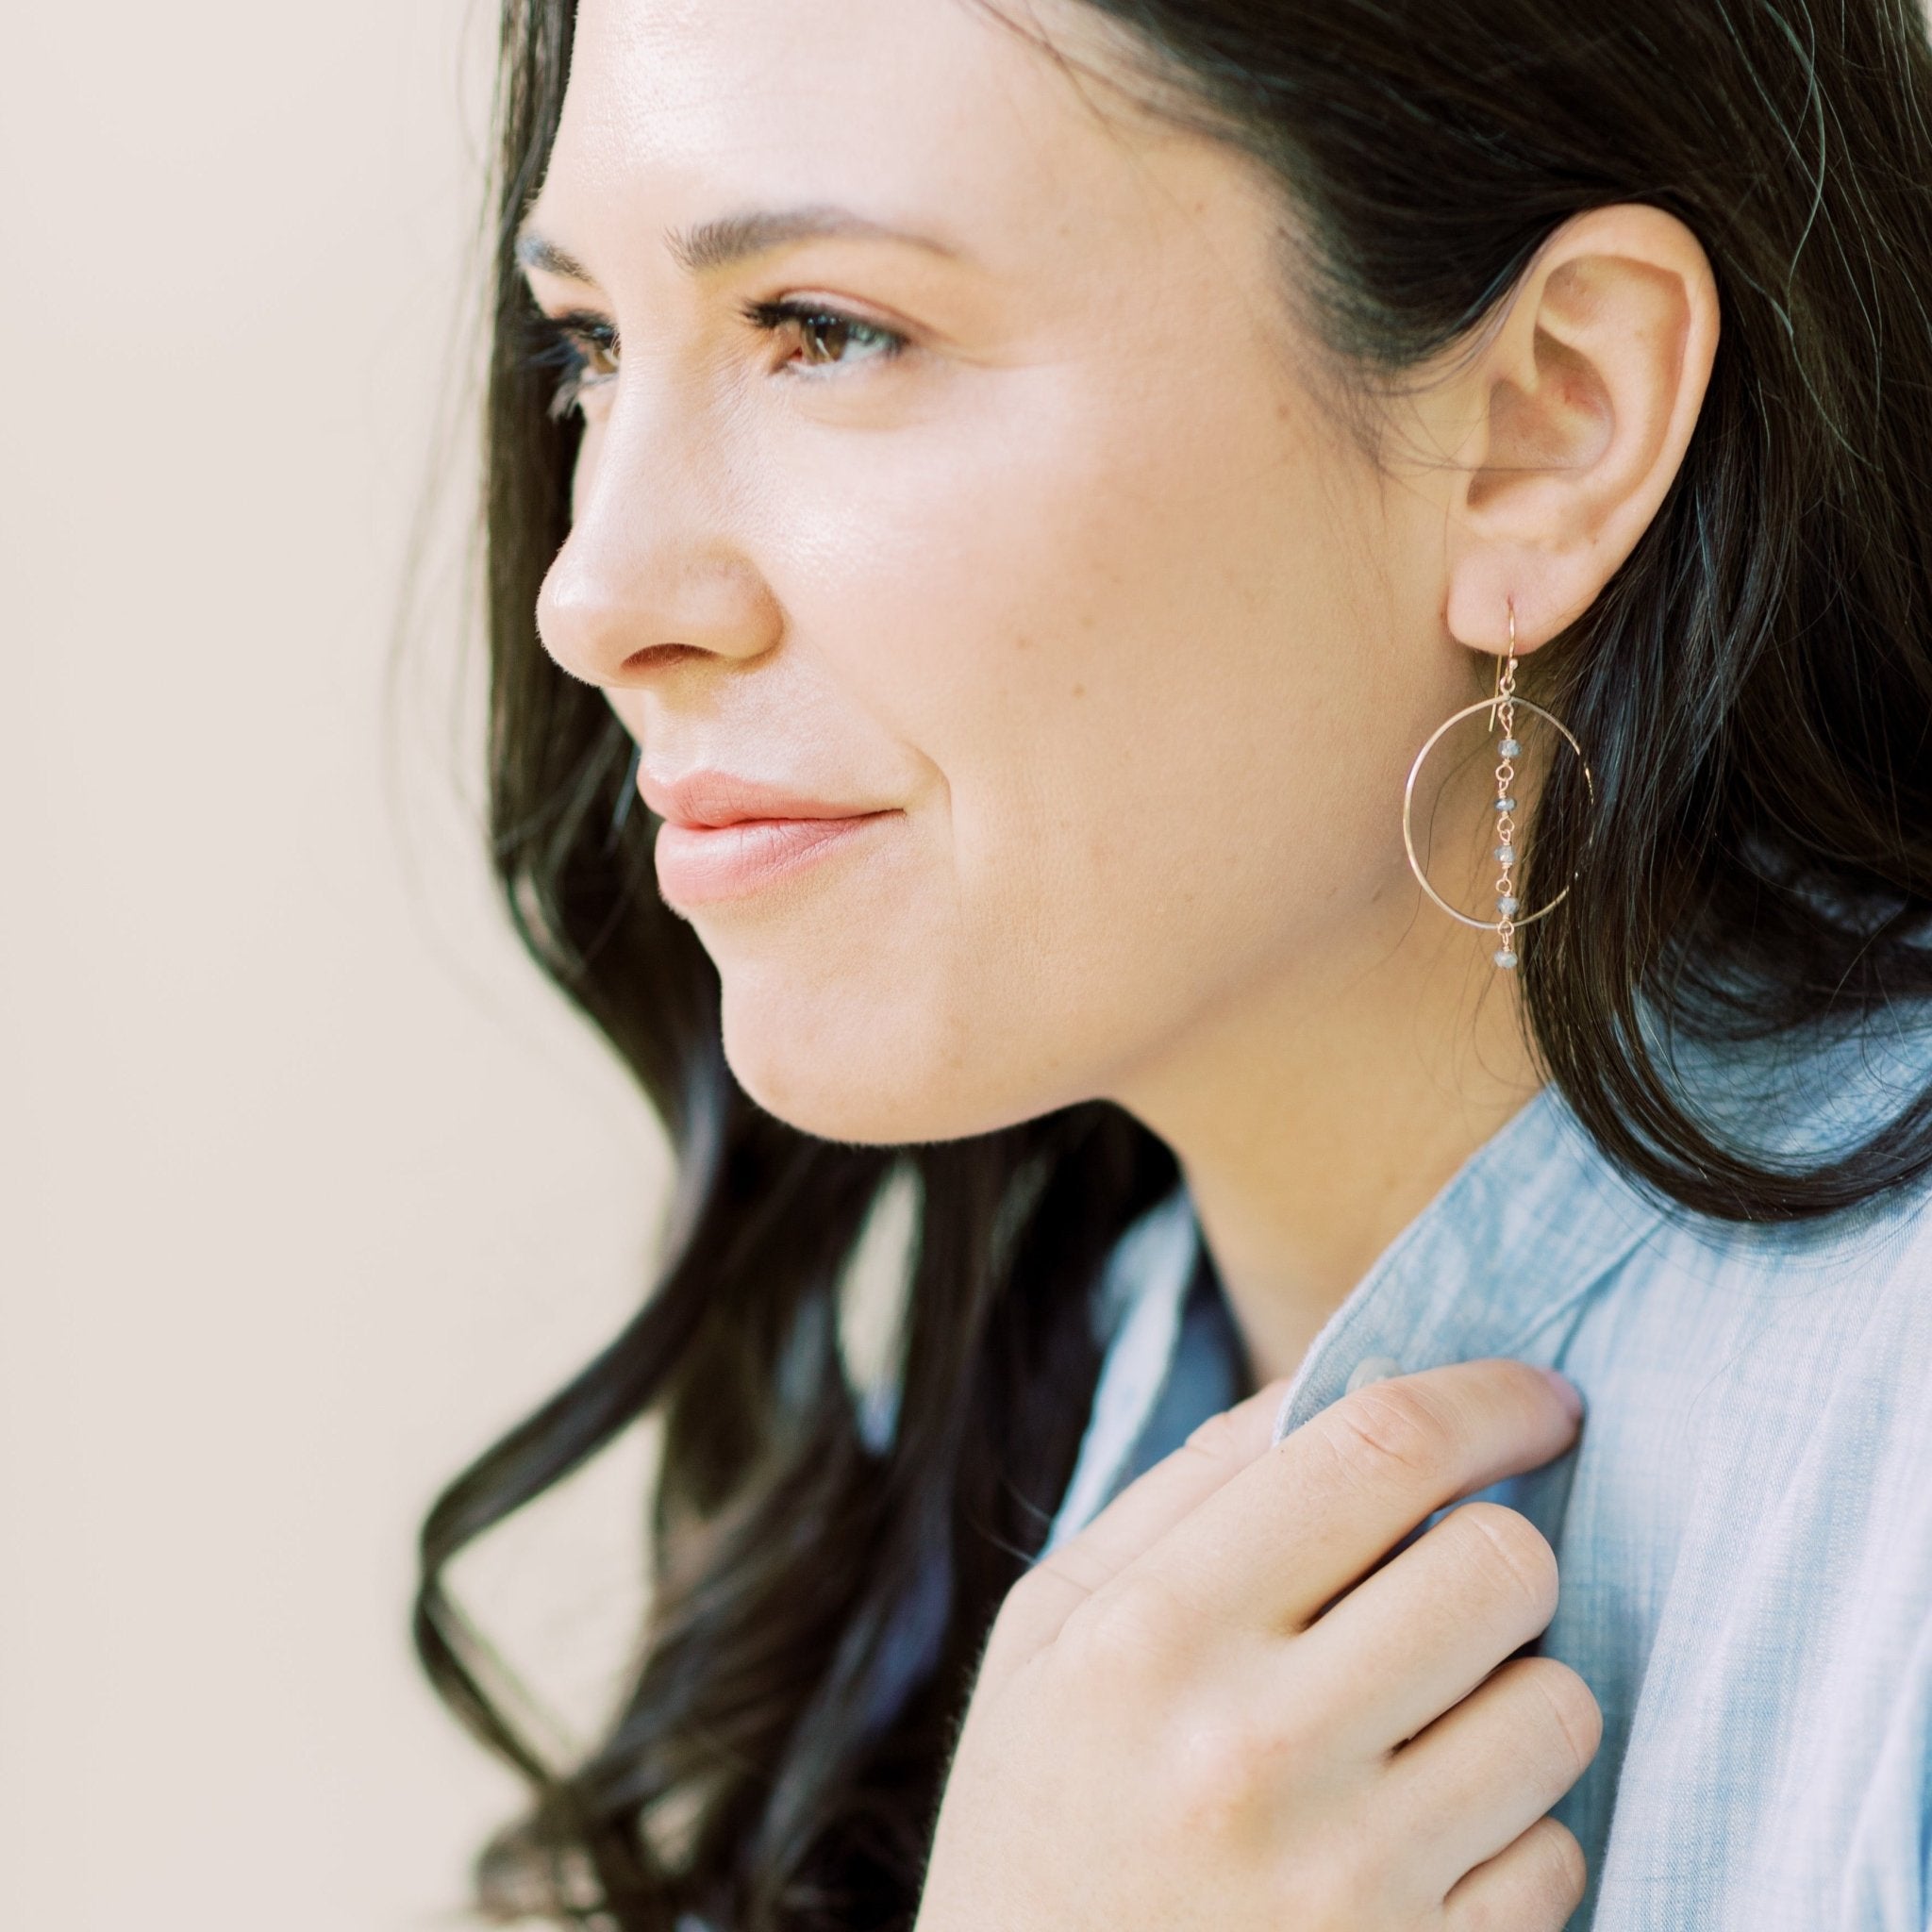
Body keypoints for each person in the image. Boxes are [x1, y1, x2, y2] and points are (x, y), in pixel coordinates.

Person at [410, 0, 1932, 1925]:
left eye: (827, 328)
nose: (595, 595)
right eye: (590, 350)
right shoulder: (929, 1483)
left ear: (1547, 421)